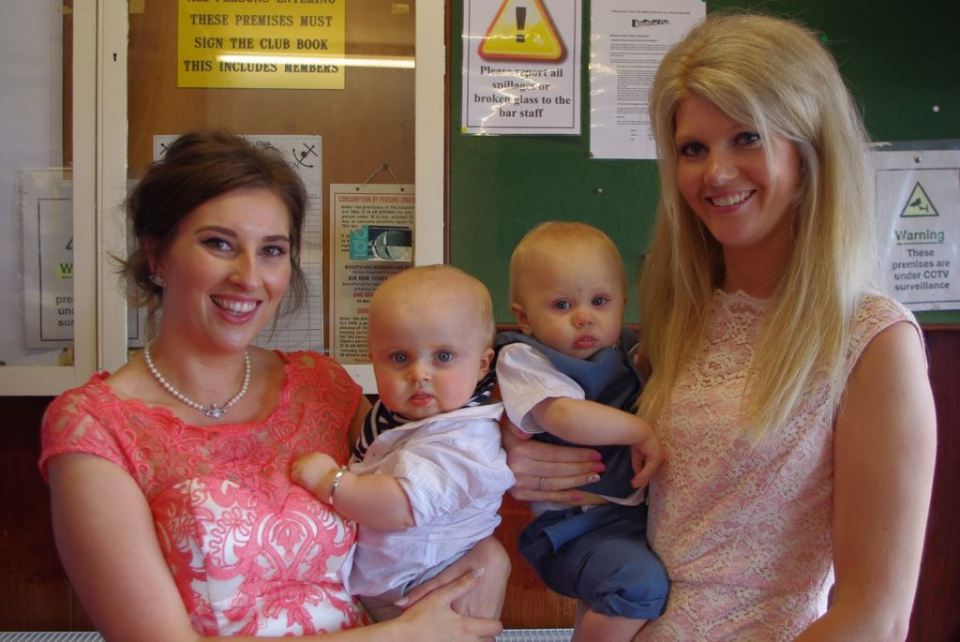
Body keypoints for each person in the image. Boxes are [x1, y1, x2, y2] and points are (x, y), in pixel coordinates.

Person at [503, 13, 936, 641]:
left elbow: (876, 619)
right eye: (693, 149)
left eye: (748, 138)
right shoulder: (679, 322)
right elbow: (599, 465)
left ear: (810, 150)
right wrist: (527, 451)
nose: (717, 174)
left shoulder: (874, 341)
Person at [38, 130, 505, 641]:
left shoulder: (321, 386)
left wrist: (506, 494)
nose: (249, 276)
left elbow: (427, 489)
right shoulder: (96, 426)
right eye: (219, 244)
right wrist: (397, 637)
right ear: (157, 256)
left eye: (272, 250)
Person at [291, 265, 515, 629]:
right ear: (373, 359)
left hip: (433, 584)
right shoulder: (397, 418)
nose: (419, 373)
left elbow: (399, 505)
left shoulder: (463, 439)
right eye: (399, 358)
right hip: (396, 591)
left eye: (443, 357)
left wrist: (330, 482)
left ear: (481, 364)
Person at [495, 221, 667, 642]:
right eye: (561, 305)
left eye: (600, 300)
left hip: (631, 521)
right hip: (575, 530)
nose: (584, 317)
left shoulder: (628, 353)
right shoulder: (526, 361)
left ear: (623, 305)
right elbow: (564, 417)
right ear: (525, 318)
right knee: (638, 583)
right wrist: (640, 431)